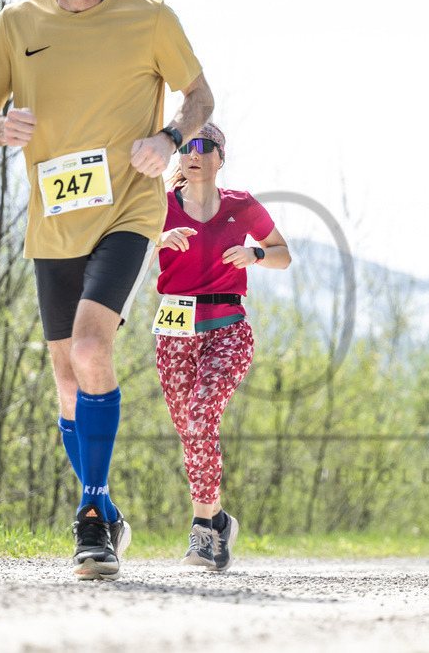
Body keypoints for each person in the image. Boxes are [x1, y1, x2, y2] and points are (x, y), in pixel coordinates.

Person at [0, 0, 214, 581]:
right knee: (65, 377)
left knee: (89, 346)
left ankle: (90, 516)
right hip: (53, 222)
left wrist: (170, 136)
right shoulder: (15, 25)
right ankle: (106, 511)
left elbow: (201, 96)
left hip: (128, 209)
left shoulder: (150, 17)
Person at [154, 122, 291, 571]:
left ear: (220, 157)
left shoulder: (241, 206)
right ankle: (218, 522)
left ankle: (200, 530)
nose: (194, 153)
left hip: (228, 327)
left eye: (204, 146)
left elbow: (282, 253)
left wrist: (255, 255)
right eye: (187, 146)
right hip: (174, 329)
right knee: (189, 429)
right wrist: (156, 237)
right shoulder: (159, 204)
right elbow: (122, 244)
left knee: (200, 415)